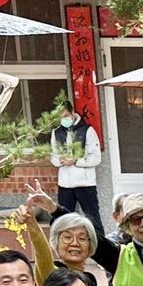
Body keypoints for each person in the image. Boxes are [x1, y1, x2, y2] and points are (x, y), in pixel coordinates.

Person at [50, 99, 103, 235]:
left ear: (73, 112)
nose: (64, 120)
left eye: (66, 116)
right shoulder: (56, 133)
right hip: (65, 184)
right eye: (60, 118)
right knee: (63, 219)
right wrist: (59, 161)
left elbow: (96, 158)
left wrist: (75, 161)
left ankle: (100, 244)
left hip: (85, 183)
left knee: (92, 218)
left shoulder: (87, 130)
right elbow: (53, 157)